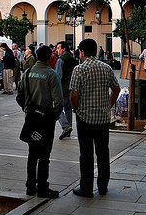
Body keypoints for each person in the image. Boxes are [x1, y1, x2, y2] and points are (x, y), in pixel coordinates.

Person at [70, 38, 120, 197]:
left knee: (86, 154)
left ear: (82, 52)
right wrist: (108, 105)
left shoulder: (79, 69)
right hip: (103, 118)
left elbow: (74, 94)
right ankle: (103, 186)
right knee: (103, 153)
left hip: (85, 117)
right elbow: (116, 89)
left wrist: (76, 107)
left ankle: (86, 188)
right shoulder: (106, 68)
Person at [16, 45, 63, 198]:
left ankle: (30, 186)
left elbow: (19, 96)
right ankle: (42, 187)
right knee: (44, 155)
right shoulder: (51, 74)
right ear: (50, 57)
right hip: (46, 121)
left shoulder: (28, 73)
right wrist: (54, 117)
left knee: (32, 153)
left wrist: (27, 110)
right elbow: (59, 101)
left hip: (31, 119)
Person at [55, 41, 76, 140]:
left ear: (63, 49)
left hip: (62, 88)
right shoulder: (72, 58)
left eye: (58, 48)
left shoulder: (61, 60)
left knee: (57, 108)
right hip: (71, 88)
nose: (56, 50)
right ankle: (68, 129)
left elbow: (58, 76)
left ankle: (65, 126)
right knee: (68, 109)